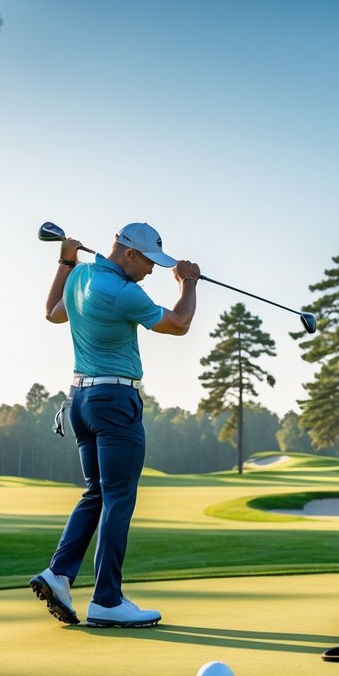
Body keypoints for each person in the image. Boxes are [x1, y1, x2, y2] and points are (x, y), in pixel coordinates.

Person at [29, 221, 200, 628]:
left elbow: (53, 314)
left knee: (97, 493)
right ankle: (107, 598)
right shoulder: (125, 293)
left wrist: (64, 263)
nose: (151, 271)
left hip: (80, 401)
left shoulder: (81, 276)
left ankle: (59, 574)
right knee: (119, 497)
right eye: (148, 263)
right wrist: (189, 283)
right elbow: (179, 324)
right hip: (114, 401)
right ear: (128, 254)